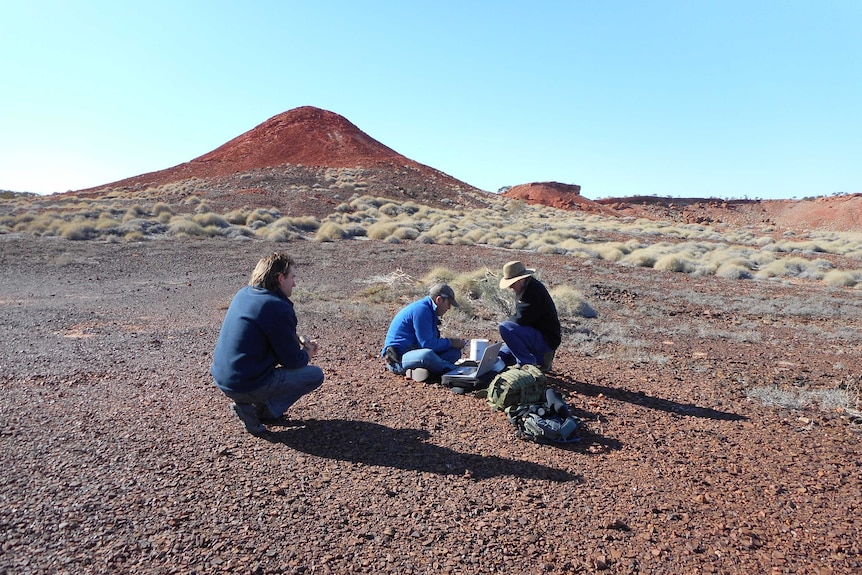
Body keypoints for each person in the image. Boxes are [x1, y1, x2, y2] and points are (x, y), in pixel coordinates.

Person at [211, 252, 324, 435]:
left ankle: (253, 406)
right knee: (314, 375)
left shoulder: (244, 294)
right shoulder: (278, 307)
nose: (294, 283)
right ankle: (258, 411)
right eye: (292, 277)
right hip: (244, 384)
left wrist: (298, 338)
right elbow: (293, 361)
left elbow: (268, 331)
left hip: (222, 377)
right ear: (280, 278)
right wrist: (307, 354)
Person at [381, 283, 467, 382]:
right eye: (448, 303)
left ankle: (424, 371)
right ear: (439, 300)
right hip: (398, 359)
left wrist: (451, 344)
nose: (449, 308)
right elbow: (427, 344)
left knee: (454, 353)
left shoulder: (429, 310)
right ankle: (455, 370)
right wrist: (450, 342)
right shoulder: (422, 309)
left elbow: (430, 342)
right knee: (426, 355)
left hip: (414, 352)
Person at [498, 260, 561, 371]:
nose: (510, 287)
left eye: (512, 284)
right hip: (537, 336)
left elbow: (521, 319)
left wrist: (510, 324)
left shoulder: (533, 291)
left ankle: (527, 365)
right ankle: (539, 360)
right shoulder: (527, 287)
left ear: (521, 279)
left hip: (545, 340)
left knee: (505, 327)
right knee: (501, 356)